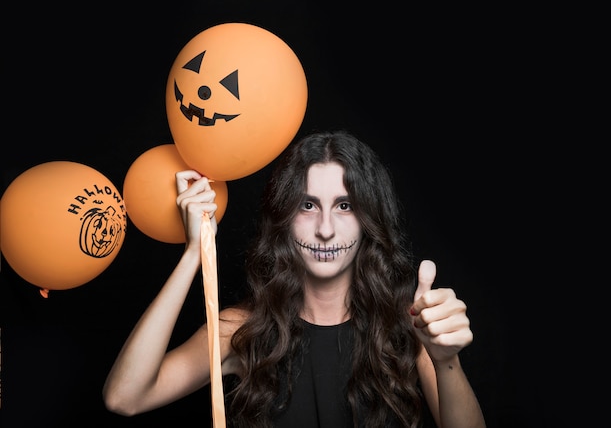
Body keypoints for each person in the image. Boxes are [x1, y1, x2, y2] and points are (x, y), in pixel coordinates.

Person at [103, 130, 486, 428]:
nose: (324, 229)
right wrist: (192, 253)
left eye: (344, 205)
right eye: (307, 205)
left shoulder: (409, 326)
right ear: (284, 217)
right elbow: (124, 397)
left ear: (369, 218)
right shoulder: (240, 330)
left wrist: (446, 360)